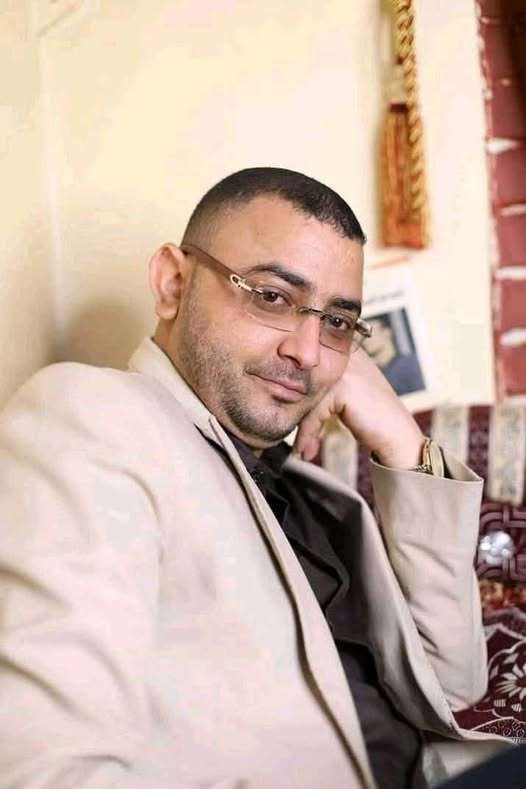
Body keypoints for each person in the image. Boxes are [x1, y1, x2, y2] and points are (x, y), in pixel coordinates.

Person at [0, 168, 509, 788]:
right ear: (173, 283)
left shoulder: (310, 495)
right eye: (271, 296)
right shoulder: (94, 418)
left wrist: (403, 441)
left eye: (337, 322)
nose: (308, 352)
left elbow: (452, 686)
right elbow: (45, 770)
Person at [362, 313, 425, 397]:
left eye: (366, 332)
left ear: (386, 332)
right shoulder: (370, 375)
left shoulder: (411, 364)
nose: (361, 337)